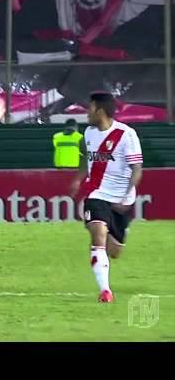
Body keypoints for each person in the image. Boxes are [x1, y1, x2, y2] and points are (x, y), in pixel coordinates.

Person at [69, 92, 143, 303]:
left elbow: (137, 169)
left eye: (89, 108)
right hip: (96, 194)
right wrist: (78, 179)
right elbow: (85, 158)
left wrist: (126, 195)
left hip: (121, 199)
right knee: (97, 234)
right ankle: (105, 291)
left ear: (100, 111)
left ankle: (118, 232)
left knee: (115, 252)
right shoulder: (89, 133)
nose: (86, 113)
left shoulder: (126, 134)